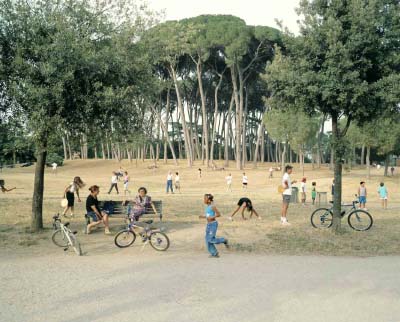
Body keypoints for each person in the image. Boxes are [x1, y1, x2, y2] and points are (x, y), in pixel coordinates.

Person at [199, 194, 229, 258]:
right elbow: (208, 216)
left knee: (210, 239)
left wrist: (212, 217)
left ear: (209, 200)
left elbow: (218, 214)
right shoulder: (207, 207)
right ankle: (215, 253)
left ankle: (224, 240)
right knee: (207, 239)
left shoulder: (212, 206)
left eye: (205, 199)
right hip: (209, 225)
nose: (204, 200)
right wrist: (203, 216)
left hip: (213, 224)